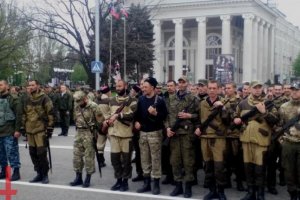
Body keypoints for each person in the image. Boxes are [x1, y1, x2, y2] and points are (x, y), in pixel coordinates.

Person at [233, 81, 278, 200]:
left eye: (259, 88)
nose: (257, 90)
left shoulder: (268, 103)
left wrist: (264, 112)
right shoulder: (242, 104)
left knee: (260, 169)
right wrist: (236, 120)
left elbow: (274, 121)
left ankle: (260, 194)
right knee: (248, 168)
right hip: (246, 140)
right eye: (255, 88)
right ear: (250, 90)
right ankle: (251, 192)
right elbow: (235, 117)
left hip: (261, 141)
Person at [195, 80, 230, 200]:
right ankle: (212, 190)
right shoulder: (202, 103)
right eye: (210, 88)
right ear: (207, 89)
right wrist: (197, 128)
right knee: (208, 166)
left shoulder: (225, 103)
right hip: (204, 138)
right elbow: (198, 119)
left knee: (219, 167)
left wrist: (223, 108)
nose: (212, 90)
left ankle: (221, 191)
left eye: (214, 88)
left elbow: (227, 121)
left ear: (218, 89)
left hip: (218, 139)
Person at [166, 76, 199, 198]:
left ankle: (188, 187)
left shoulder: (193, 99)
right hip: (174, 135)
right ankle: (178, 186)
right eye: (179, 82)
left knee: (188, 162)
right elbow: (167, 116)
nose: (181, 84)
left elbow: (199, 116)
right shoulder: (171, 98)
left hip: (187, 135)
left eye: (183, 82)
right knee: (175, 161)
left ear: (187, 84)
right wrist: (168, 128)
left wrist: (189, 115)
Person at [135, 77, 168, 195]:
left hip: (155, 133)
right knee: (145, 159)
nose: (143, 89)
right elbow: (137, 115)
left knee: (155, 159)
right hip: (143, 133)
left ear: (153, 88)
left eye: (146, 87)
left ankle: (156, 184)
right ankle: (146, 183)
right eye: (143, 87)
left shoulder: (160, 100)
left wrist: (156, 113)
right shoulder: (141, 99)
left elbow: (164, 117)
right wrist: (136, 122)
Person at [103, 80, 137, 192]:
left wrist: (119, 115)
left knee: (126, 161)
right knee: (115, 160)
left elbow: (133, 114)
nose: (117, 88)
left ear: (126, 86)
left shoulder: (132, 100)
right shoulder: (112, 100)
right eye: (116, 86)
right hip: (114, 134)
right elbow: (107, 114)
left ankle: (125, 182)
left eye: (120, 86)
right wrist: (107, 120)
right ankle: (118, 180)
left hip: (126, 135)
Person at [22, 80, 54, 184]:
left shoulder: (44, 98)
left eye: (33, 85)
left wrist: (50, 128)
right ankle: (38, 173)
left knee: (41, 154)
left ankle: (45, 175)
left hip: (40, 130)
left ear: (38, 86)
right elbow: (24, 113)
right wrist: (23, 127)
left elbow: (51, 113)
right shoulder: (27, 98)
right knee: (33, 153)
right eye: (29, 85)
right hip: (30, 130)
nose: (30, 87)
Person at [70, 90, 104, 188]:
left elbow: (100, 121)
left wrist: (95, 132)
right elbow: (75, 118)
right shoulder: (77, 105)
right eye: (77, 101)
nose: (78, 103)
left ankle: (88, 178)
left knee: (89, 156)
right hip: (79, 133)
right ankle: (78, 177)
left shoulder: (94, 106)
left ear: (85, 98)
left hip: (89, 133)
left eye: (80, 101)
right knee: (77, 156)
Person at [279, 84, 300, 200]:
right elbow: (280, 125)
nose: (294, 92)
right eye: (293, 90)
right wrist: (281, 140)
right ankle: (292, 193)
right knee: (289, 170)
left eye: (297, 90)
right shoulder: (284, 107)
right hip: (289, 143)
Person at [224, 82, 245, 191]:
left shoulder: (240, 101)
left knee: (238, 161)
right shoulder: (223, 100)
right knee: (226, 160)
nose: (227, 90)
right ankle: (227, 181)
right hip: (226, 135)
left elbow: (241, 117)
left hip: (236, 135)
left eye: (229, 88)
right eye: (226, 88)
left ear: (234, 89)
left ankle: (239, 182)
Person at [0, 80, 22, 181]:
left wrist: (17, 130)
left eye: (1, 85)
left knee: (12, 152)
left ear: (7, 86)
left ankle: (16, 172)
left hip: (9, 131)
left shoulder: (13, 99)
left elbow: (18, 115)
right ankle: (4, 172)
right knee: (1, 154)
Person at [96, 86, 111, 168]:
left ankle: (100, 161)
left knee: (100, 144)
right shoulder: (109, 100)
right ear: (108, 92)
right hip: (108, 124)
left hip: (99, 124)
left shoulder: (96, 100)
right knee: (114, 143)